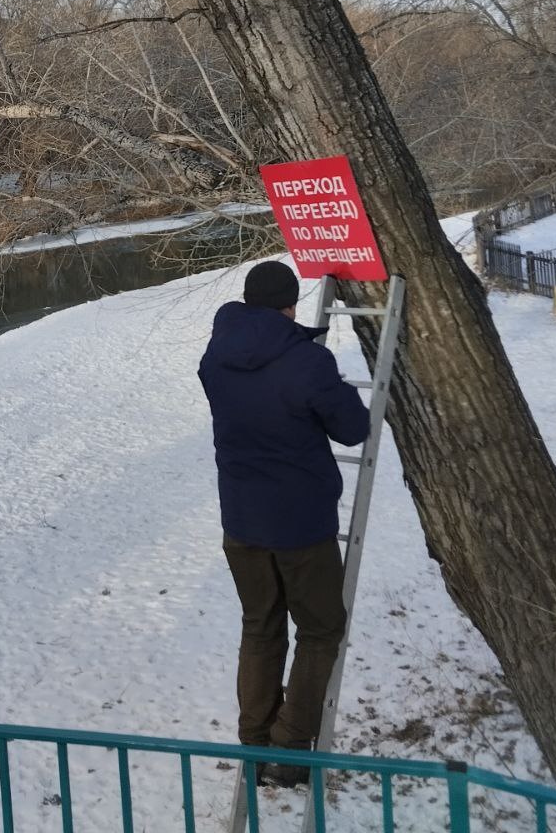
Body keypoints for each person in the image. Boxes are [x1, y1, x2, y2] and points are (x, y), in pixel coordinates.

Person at [198, 260, 369, 787]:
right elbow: (353, 428)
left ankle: (254, 744)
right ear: (291, 306)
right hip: (300, 525)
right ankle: (291, 749)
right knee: (321, 628)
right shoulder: (306, 363)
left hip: (241, 522)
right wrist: (334, 386)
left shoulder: (215, 356)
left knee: (260, 625)